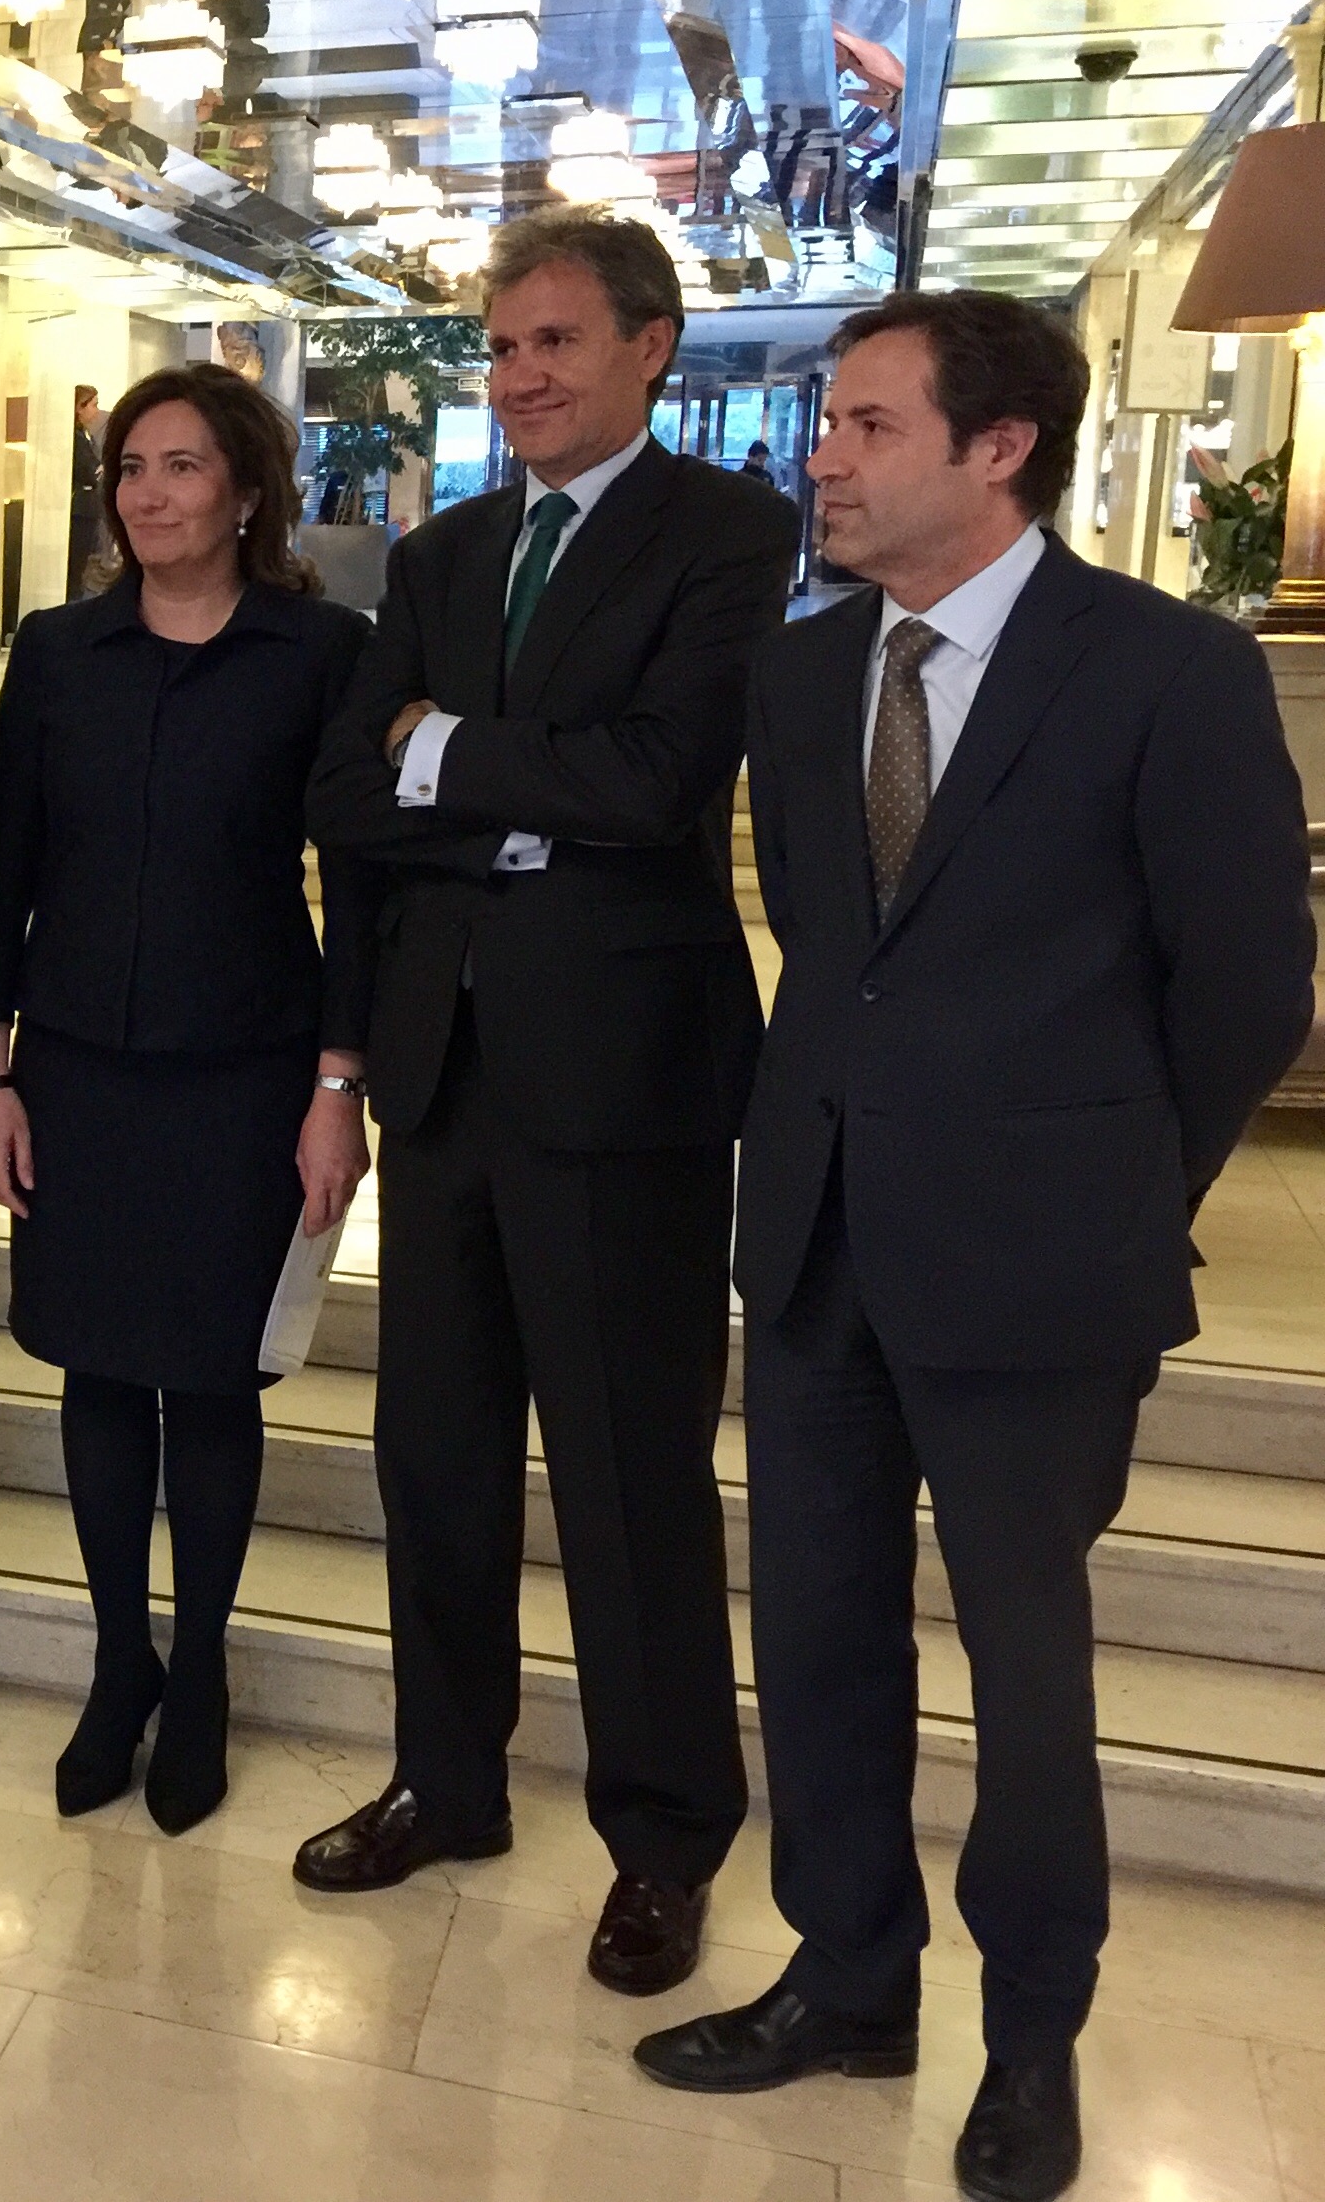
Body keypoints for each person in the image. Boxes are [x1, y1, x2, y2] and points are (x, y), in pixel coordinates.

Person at [636, 294, 1313, 2202]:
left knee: (1021, 1664)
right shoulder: (803, 669)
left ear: (993, 446)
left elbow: (1244, 985)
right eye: (824, 422)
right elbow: (829, 951)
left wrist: (1114, 1184)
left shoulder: (1163, 668)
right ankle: (845, 1971)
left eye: (863, 423)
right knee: (816, 1632)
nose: (820, 457)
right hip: (818, 1239)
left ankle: (1028, 2033)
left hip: (1037, 1261)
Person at [301, 207, 794, 1997]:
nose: (516, 377)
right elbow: (343, 799)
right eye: (500, 347)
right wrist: (507, 801)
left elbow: (660, 783)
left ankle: (663, 1837)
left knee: (624, 1475)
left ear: (650, 348)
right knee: (431, 1460)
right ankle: (445, 1779)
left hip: (622, 1082)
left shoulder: (726, 531)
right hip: (442, 1074)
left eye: (554, 343)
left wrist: (444, 754)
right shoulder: (442, 553)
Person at [0, 363, 372, 1835]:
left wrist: (339, 1086)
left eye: (184, 466)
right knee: (92, 1371)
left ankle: (199, 1672)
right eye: (132, 468)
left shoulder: (320, 652)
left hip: (245, 1069)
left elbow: (362, 891)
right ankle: (117, 1662)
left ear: (247, 492)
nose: (149, 493)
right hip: (75, 1068)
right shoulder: (59, 651)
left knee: (209, 1381)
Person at [66, 383, 105, 594]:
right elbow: (90, 471)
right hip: (81, 511)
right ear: (79, 408)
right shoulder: (76, 439)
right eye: (93, 405)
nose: (96, 411)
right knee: (78, 568)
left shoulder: (85, 436)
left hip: (88, 509)